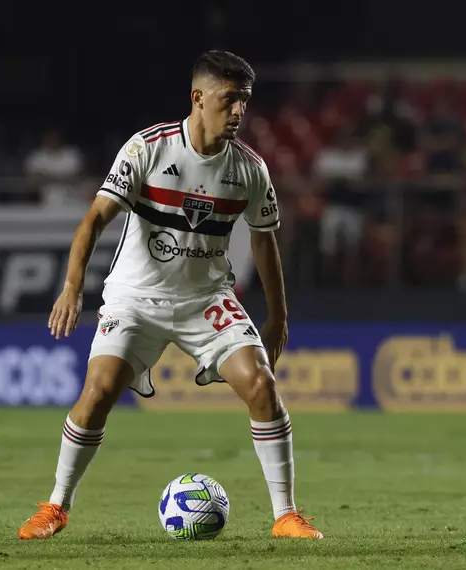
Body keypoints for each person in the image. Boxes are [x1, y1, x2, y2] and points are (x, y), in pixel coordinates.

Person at [17, 50, 324, 541]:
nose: (239, 112)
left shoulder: (249, 169)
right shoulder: (148, 149)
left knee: (262, 385)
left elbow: (265, 241)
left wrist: (278, 316)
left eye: (245, 101)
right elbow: (94, 219)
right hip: (136, 298)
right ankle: (56, 505)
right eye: (229, 100)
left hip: (207, 299)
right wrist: (72, 287)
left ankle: (286, 514)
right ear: (198, 98)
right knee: (96, 394)